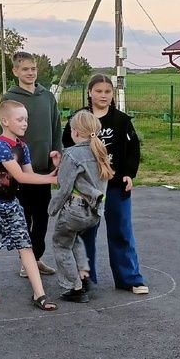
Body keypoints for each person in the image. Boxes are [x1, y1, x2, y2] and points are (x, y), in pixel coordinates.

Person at [0, 100, 60, 311]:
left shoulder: (22, 146)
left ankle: (40, 294)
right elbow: (19, 176)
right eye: (20, 119)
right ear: (5, 121)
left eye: (26, 119)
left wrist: (54, 174)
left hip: (11, 203)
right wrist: (52, 180)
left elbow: (29, 174)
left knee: (26, 246)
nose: (25, 123)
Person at [64, 74, 147, 294]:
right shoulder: (78, 118)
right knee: (85, 233)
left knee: (121, 231)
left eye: (107, 91)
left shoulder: (121, 121)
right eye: (98, 91)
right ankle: (85, 280)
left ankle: (130, 278)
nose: (103, 95)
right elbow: (66, 146)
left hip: (116, 186)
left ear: (113, 94)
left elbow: (133, 150)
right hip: (87, 188)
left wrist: (129, 174)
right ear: (89, 92)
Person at [2, 51, 61, 280]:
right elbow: (5, 133)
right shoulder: (10, 98)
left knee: (43, 216)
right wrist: (9, 166)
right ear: (16, 71)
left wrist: (58, 152)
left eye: (33, 68)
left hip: (44, 168)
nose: (30, 73)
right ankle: (27, 262)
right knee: (24, 218)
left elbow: (57, 127)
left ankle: (35, 258)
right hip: (21, 171)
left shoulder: (47, 97)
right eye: (25, 69)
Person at [47, 111, 114, 303]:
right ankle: (84, 277)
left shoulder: (72, 154)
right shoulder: (100, 152)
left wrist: (52, 208)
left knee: (60, 243)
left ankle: (74, 287)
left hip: (74, 211)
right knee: (74, 240)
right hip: (93, 213)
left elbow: (65, 186)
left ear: (75, 132)